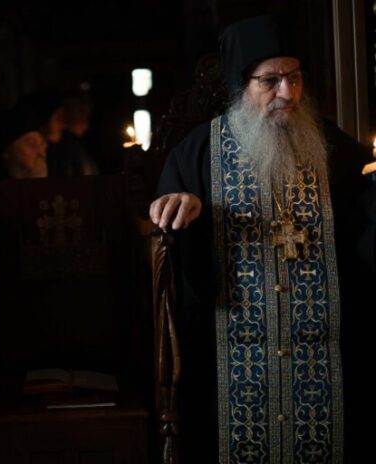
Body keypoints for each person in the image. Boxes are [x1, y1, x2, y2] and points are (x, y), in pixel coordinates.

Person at [149, 15, 376, 463]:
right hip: (230, 373)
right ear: (242, 86)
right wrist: (188, 213)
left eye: (295, 77)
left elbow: (364, 237)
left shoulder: (330, 145)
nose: (288, 93)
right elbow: (176, 258)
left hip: (327, 370)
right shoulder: (197, 153)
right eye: (270, 81)